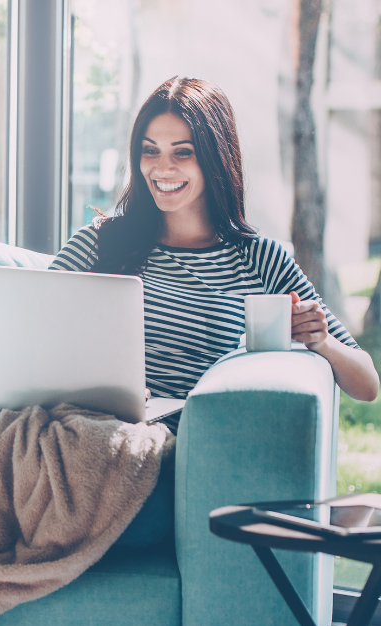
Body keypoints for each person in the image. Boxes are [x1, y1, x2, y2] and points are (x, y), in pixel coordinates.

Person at [50, 76, 378, 429]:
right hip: (85, 421)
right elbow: (31, 328)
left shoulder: (261, 259)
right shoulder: (98, 242)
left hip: (185, 445)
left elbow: (367, 385)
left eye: (182, 152)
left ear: (215, 157)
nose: (162, 168)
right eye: (150, 150)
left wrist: (322, 340)